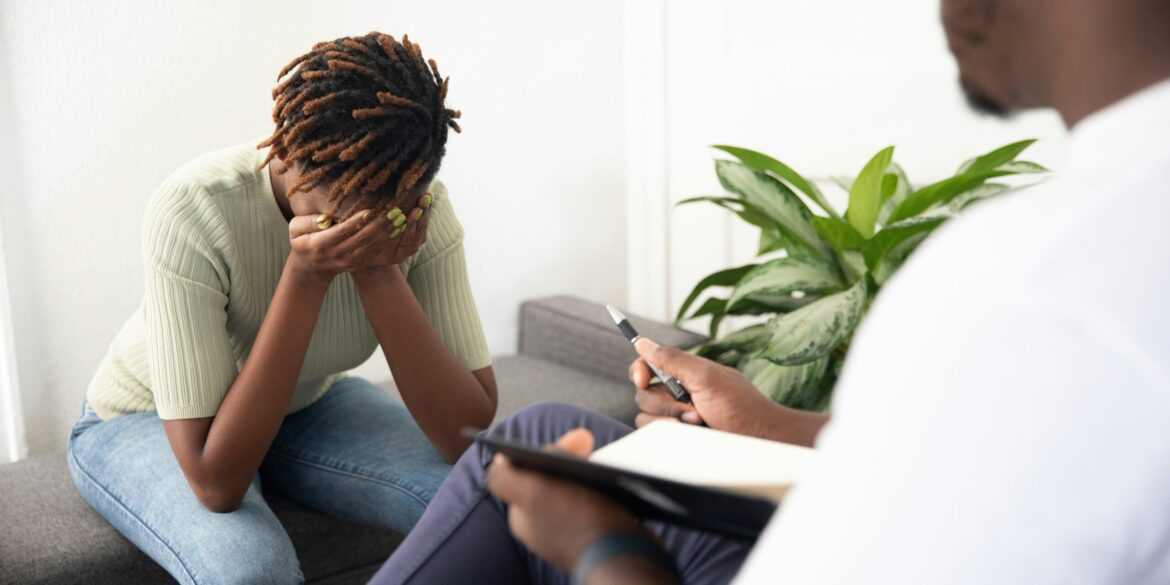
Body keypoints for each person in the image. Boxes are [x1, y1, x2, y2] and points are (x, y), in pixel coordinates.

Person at [371, 0, 1170, 581]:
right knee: (545, 429)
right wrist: (774, 426)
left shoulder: (1037, 284)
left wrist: (599, 543)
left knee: (528, 467)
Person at [66, 32, 497, 584]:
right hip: (147, 420)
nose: (371, 230)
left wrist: (376, 270)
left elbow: (464, 435)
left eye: (390, 214)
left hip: (307, 401)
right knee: (254, 570)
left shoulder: (419, 207)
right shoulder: (195, 208)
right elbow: (216, 483)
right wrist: (306, 276)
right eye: (346, 219)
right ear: (288, 153)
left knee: (485, 506)